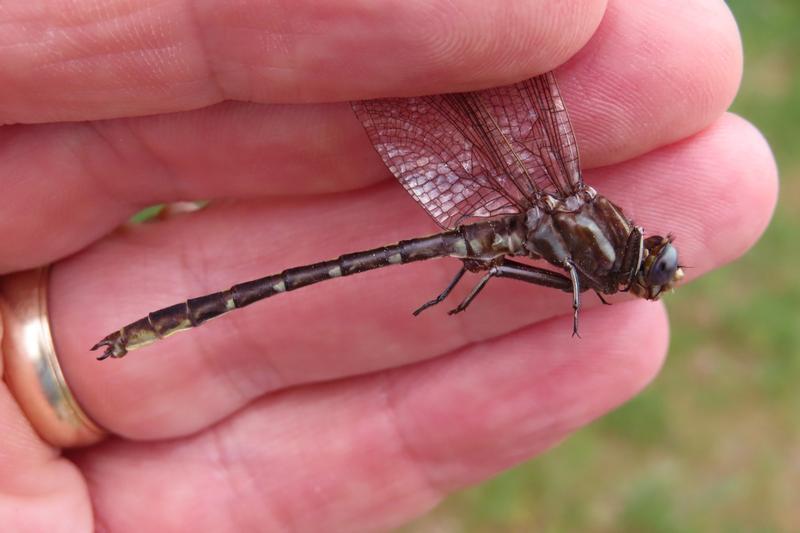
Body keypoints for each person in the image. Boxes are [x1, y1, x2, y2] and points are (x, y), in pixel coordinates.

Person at [0, 1, 777, 531]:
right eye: (654, 268)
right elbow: (558, 276)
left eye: (653, 268)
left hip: (501, 229)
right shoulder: (592, 243)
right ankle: (153, 324)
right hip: (502, 226)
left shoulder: (590, 245)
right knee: (302, 277)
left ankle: (137, 332)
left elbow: (550, 275)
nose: (652, 272)